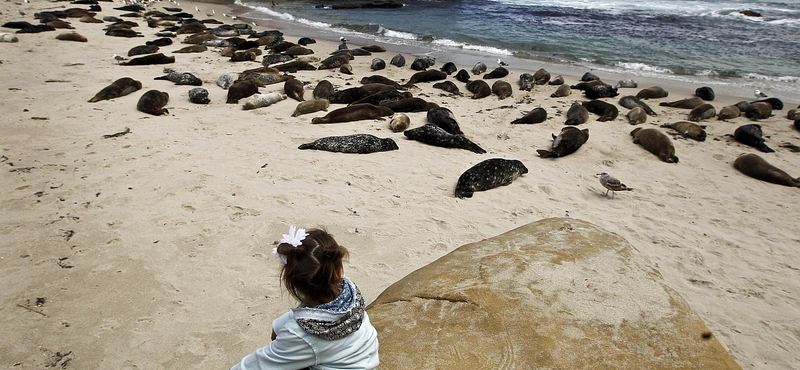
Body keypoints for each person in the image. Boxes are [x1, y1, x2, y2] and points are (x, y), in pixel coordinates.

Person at [230, 226, 379, 370]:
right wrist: (279, 326)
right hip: (366, 361)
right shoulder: (350, 292)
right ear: (339, 273)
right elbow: (314, 313)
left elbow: (260, 364)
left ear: (295, 284)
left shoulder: (302, 335)